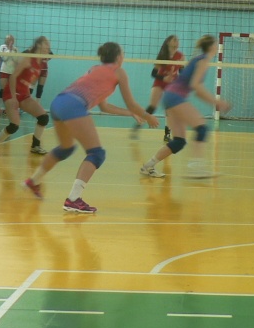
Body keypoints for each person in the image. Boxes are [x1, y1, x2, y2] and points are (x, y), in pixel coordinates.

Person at [23, 42, 158, 213]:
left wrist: (130, 113)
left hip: (58, 102)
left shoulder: (94, 69)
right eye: (123, 53)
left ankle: (33, 181)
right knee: (96, 153)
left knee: (66, 148)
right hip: (74, 105)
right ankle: (73, 200)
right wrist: (148, 116)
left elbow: (104, 107)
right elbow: (131, 103)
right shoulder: (119, 72)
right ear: (118, 57)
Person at [140, 35, 230, 179]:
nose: (218, 46)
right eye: (216, 43)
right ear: (212, 46)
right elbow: (195, 86)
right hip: (175, 97)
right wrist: (218, 102)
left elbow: (195, 89)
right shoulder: (203, 60)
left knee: (179, 141)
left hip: (170, 96)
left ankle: (148, 166)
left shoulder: (198, 59)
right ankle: (196, 168)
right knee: (202, 129)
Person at [0, 36, 52, 156]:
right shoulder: (28, 58)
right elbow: (13, 77)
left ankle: (35, 146)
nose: (48, 46)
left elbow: (28, 81)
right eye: (46, 44)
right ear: (39, 45)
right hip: (11, 92)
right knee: (14, 125)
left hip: (24, 94)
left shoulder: (40, 64)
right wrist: (13, 97)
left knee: (44, 117)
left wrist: (28, 95)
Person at [132, 35, 183, 143]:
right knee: (152, 107)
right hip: (160, 81)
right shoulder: (162, 56)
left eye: (178, 40)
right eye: (174, 40)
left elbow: (182, 71)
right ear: (168, 43)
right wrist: (164, 78)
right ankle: (138, 126)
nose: (177, 42)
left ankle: (167, 134)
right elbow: (153, 73)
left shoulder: (180, 56)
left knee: (169, 109)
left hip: (172, 84)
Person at [0, 34, 17, 115]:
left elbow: (15, 59)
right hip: (4, 70)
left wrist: (12, 50)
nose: (9, 40)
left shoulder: (15, 49)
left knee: (10, 91)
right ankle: (0, 107)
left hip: (12, 72)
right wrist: (9, 49)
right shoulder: (2, 47)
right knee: (3, 90)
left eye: (11, 39)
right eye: (8, 39)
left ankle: (7, 108)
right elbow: (4, 58)